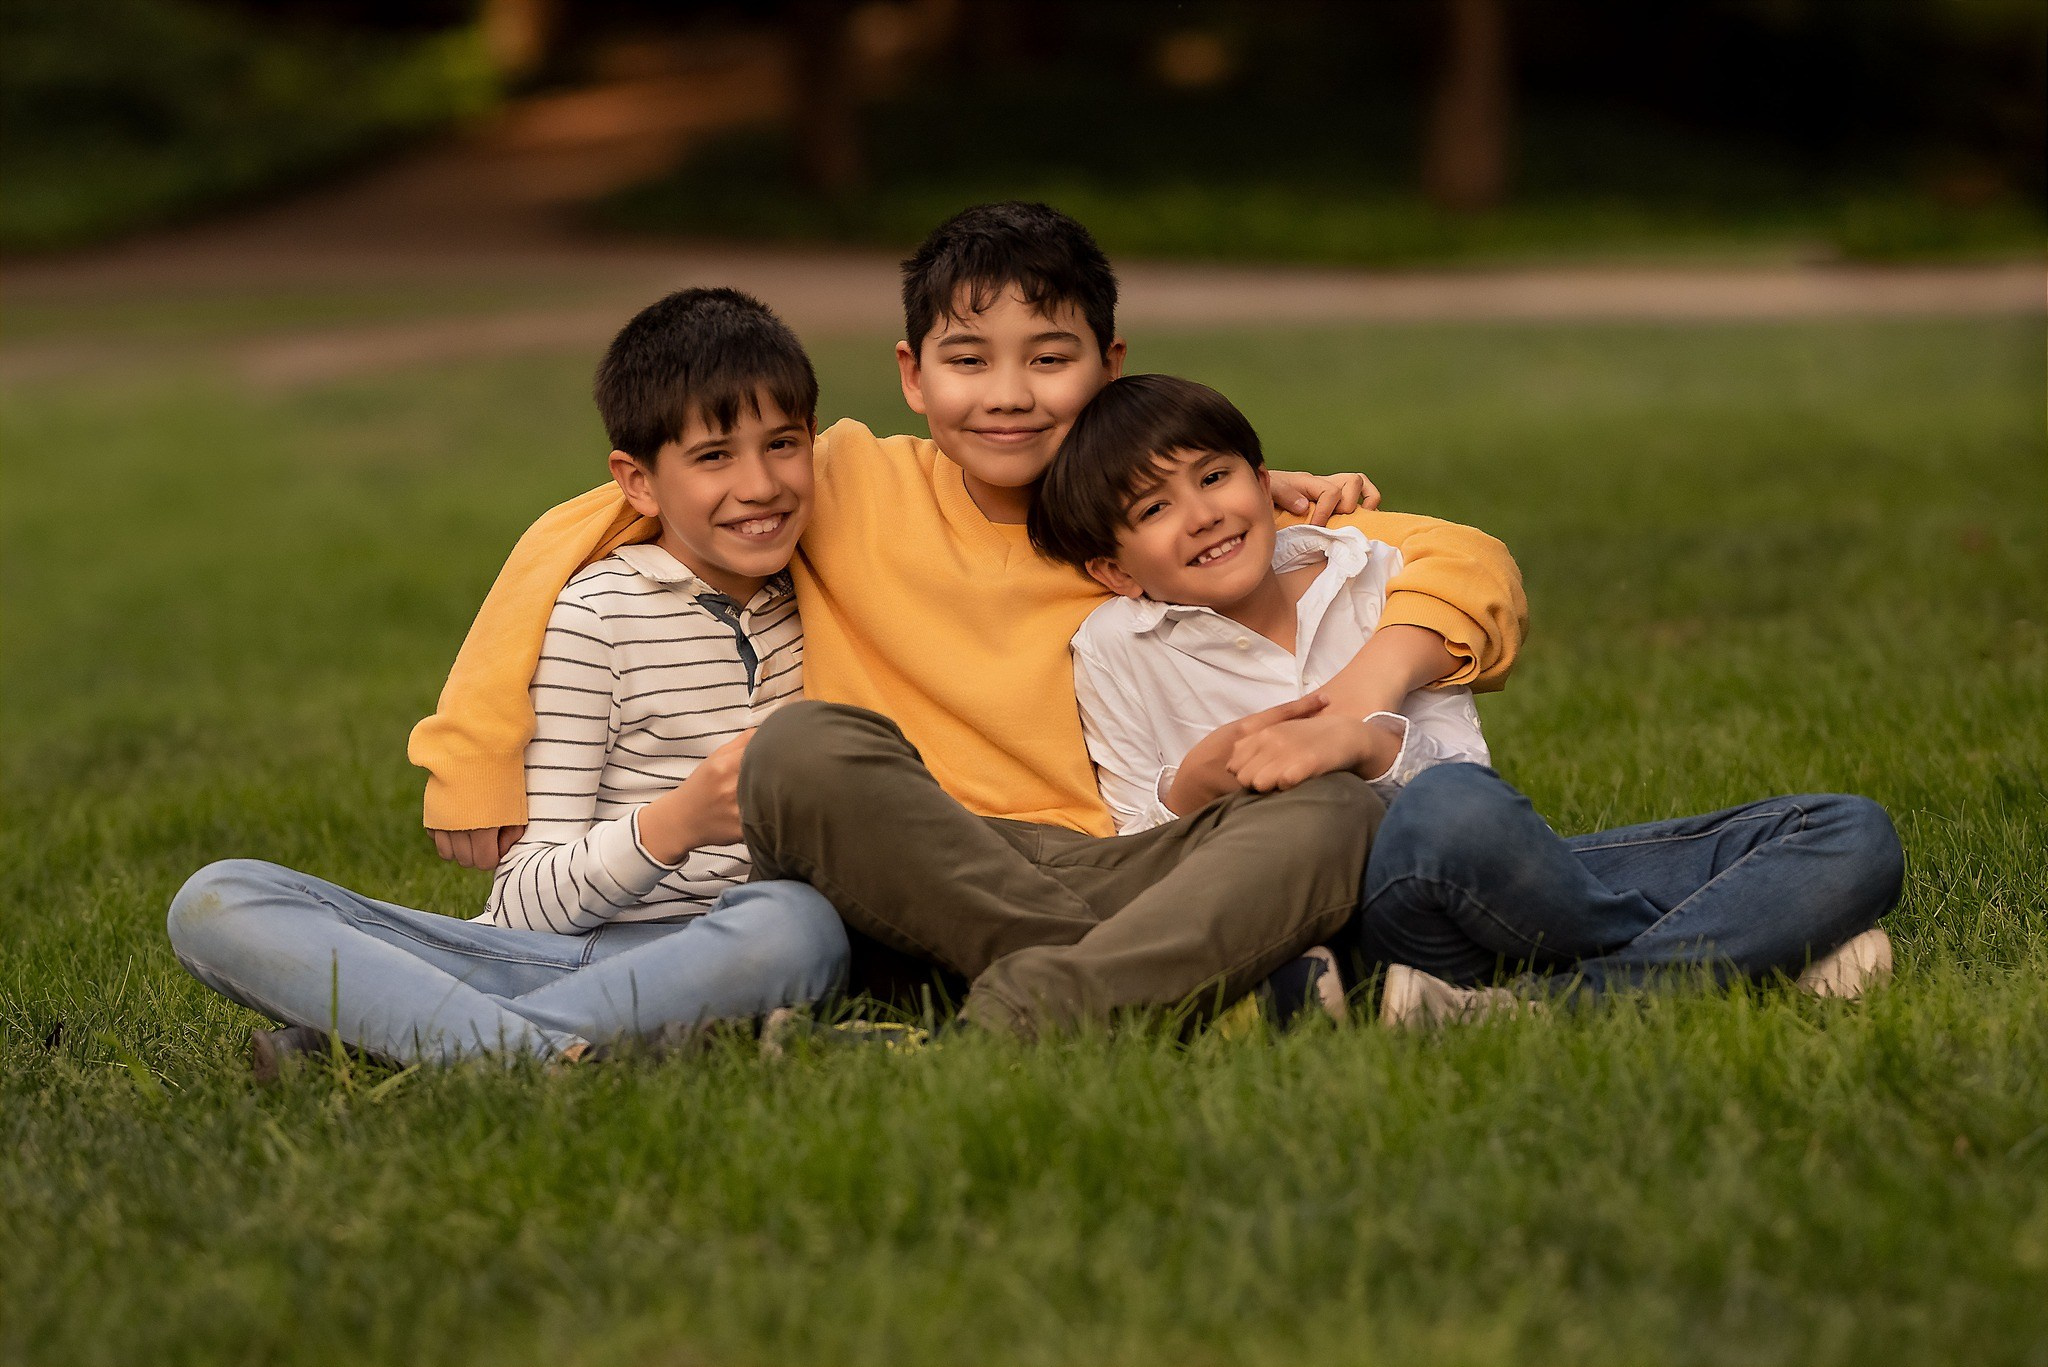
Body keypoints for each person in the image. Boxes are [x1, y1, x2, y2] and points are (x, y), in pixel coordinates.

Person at [408, 201, 1531, 1036]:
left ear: (1108, 367)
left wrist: (1348, 682)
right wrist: (472, 749)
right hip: (905, 858)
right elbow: (596, 517)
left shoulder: (1156, 520)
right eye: (967, 360)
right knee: (802, 749)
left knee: (1331, 809)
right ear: (912, 374)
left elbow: (1467, 561)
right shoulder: (841, 477)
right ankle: (1181, 984)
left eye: (1050, 359)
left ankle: (1060, 1000)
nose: (1008, 395)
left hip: (1116, 861)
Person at [1028, 373, 1903, 1025]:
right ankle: (1750, 952)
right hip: (1340, 927)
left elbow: (1460, 784)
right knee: (1454, 815)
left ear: (1266, 481)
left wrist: (1363, 742)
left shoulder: (1375, 576)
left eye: (1214, 477)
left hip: (1467, 880)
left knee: (1848, 832)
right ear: (1115, 569)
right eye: (1154, 508)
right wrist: (1196, 782)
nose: (1202, 514)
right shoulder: (1116, 648)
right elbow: (1134, 854)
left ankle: (1527, 1006)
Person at [166, 289, 850, 1072]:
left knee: (799, 926)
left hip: (726, 946)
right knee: (218, 899)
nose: (760, 484)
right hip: (546, 951)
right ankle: (543, 1050)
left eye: (783, 444)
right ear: (637, 482)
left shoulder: (830, 590)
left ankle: (409, 1038)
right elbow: (523, 905)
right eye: (714, 456)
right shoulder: (597, 617)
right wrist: (676, 823)